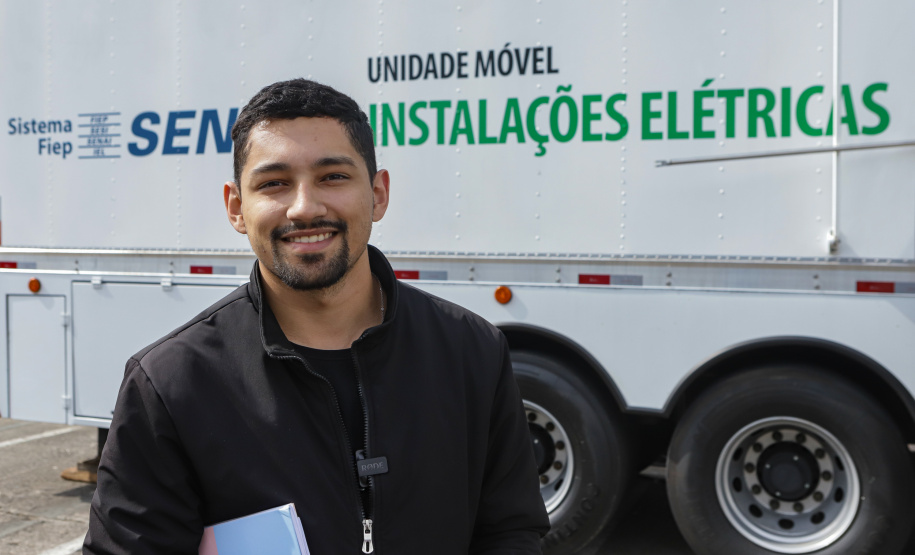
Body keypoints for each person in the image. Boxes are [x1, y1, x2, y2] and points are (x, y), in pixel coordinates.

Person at [84, 78, 550, 554]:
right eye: (274, 183)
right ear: (236, 207)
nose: (305, 207)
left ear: (379, 193)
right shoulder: (170, 384)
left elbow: (510, 532)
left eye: (332, 177)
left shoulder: (471, 351)